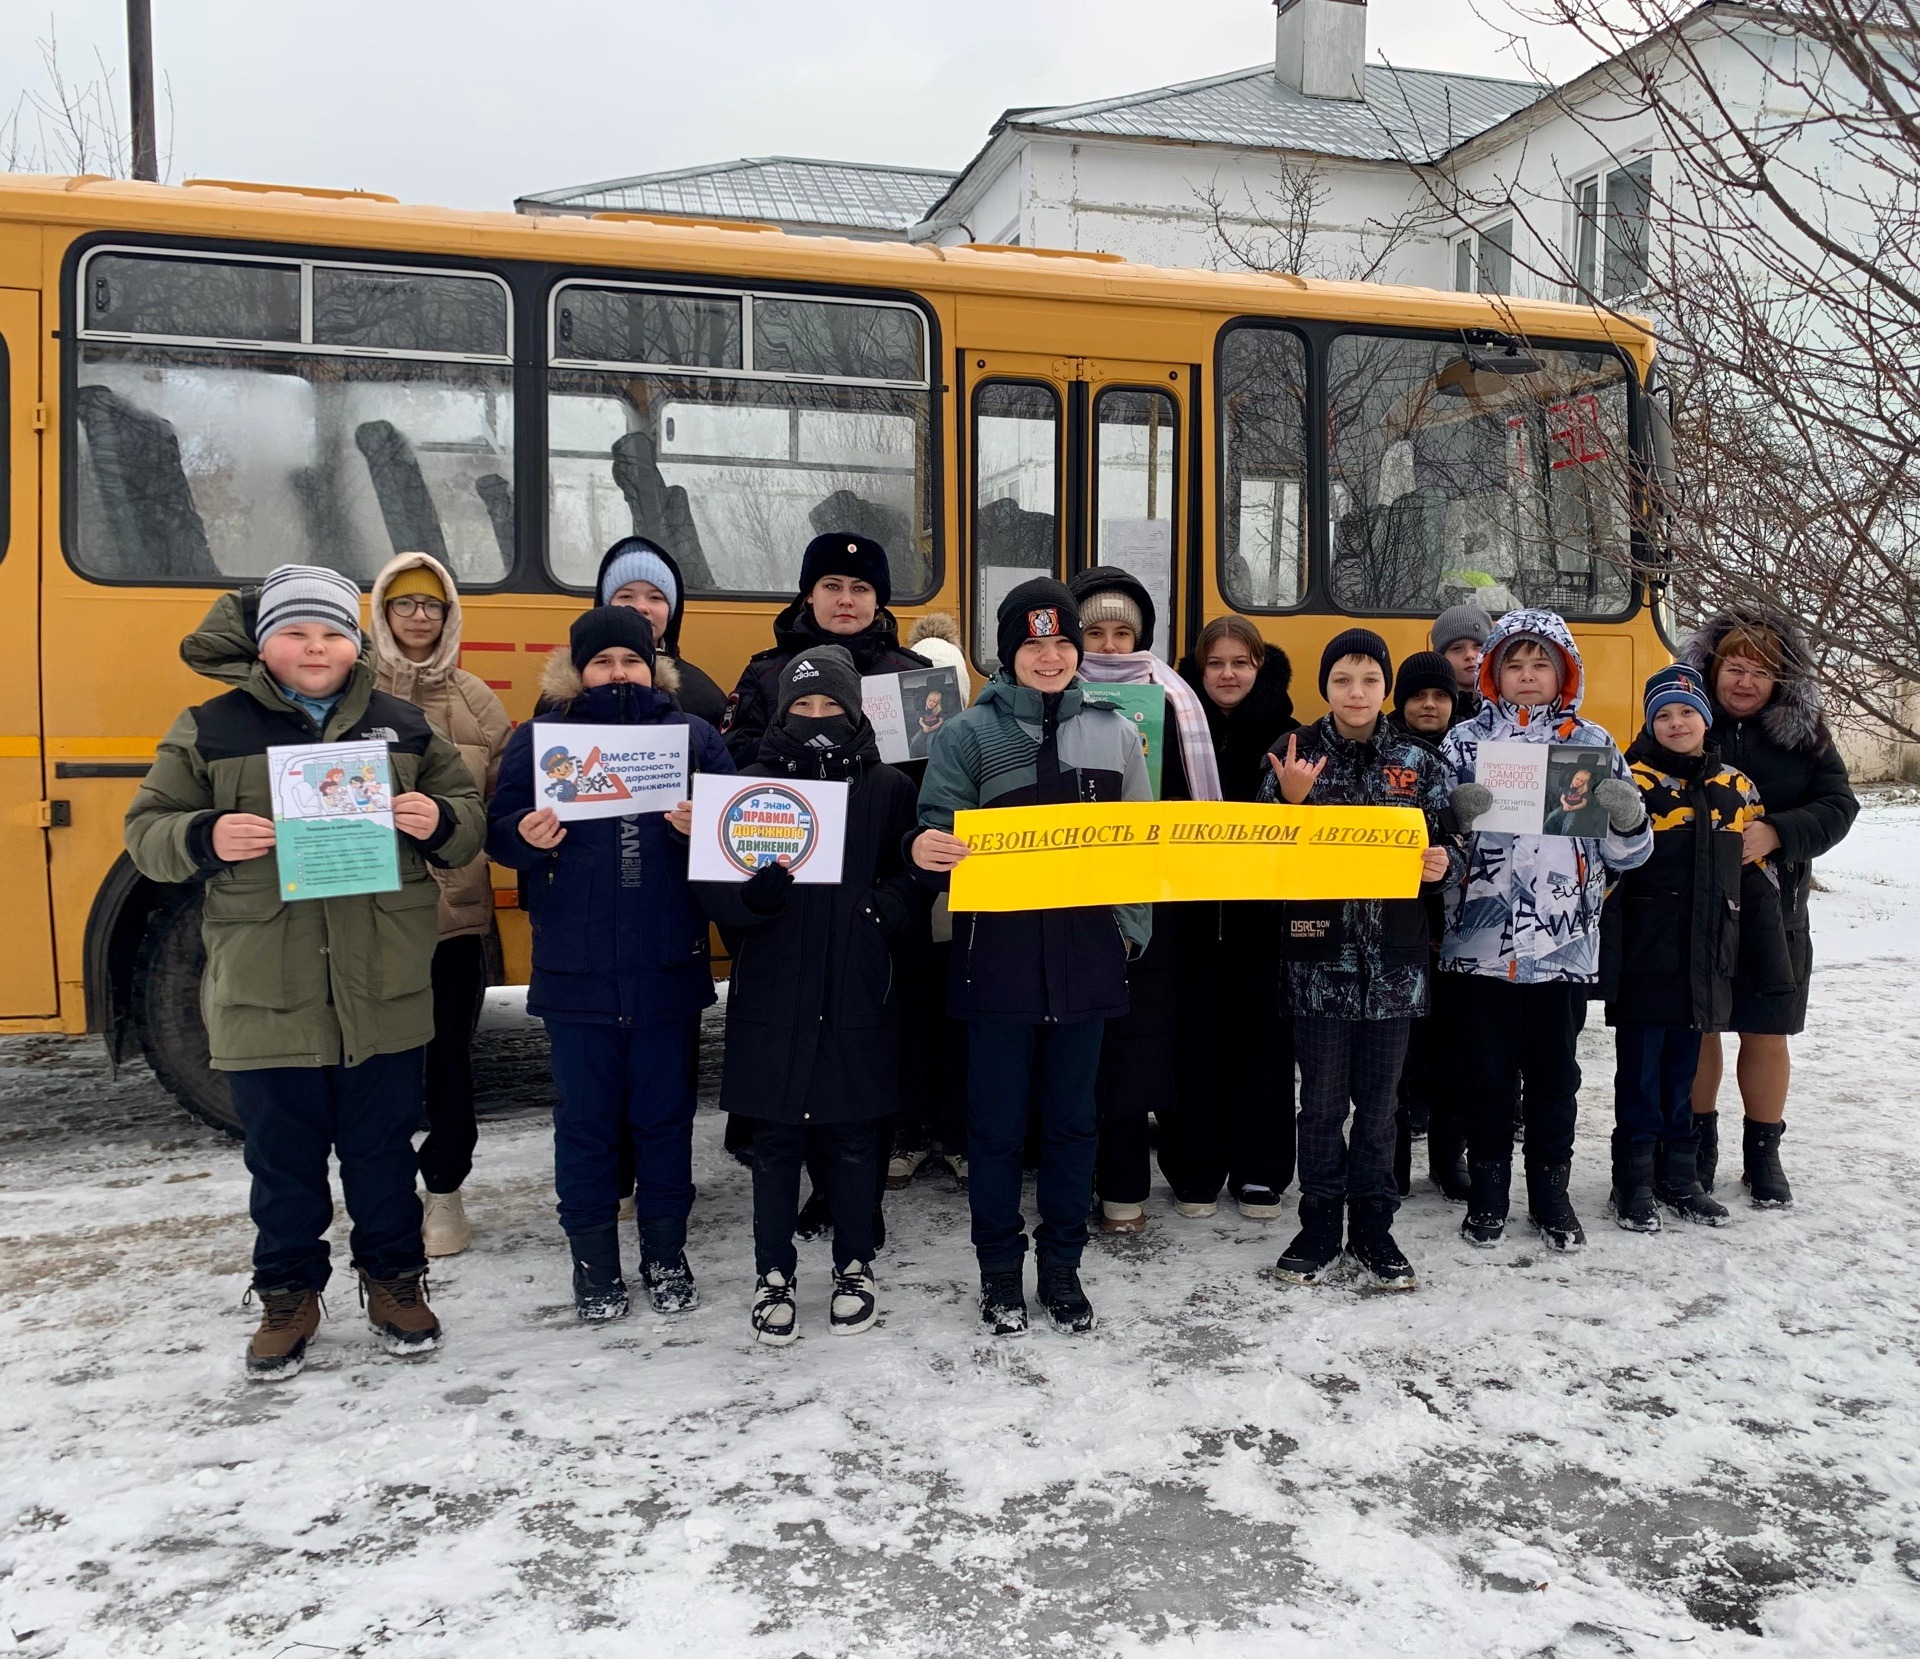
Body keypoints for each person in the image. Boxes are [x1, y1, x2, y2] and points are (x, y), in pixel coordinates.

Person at [124, 565, 486, 1381]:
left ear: (356, 642)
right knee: (282, 1161)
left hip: (383, 988)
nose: (314, 647)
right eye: (295, 632)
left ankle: (394, 1282)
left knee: (383, 1151)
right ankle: (288, 1295)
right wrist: (206, 835)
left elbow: (467, 824)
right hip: (267, 989)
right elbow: (146, 828)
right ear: (263, 644)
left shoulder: (402, 725)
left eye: (330, 632)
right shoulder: (210, 727)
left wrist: (439, 821)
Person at [909, 579, 1151, 1336]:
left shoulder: (1115, 733)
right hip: (998, 960)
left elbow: (1138, 847)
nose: (1050, 657)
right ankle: (998, 1272)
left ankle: (1063, 1269)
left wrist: (1128, 931)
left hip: (1085, 959)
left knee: (1075, 1124)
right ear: (1009, 655)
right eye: (1033, 644)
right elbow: (932, 831)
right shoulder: (968, 735)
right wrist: (926, 847)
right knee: (995, 1128)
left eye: (1061, 643)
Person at [487, 608, 734, 1323]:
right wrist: (525, 836)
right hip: (577, 971)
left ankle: (666, 1253)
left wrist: (704, 825)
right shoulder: (541, 740)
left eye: (631, 660)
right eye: (603, 662)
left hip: (666, 966)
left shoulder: (691, 737)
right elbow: (499, 832)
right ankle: (593, 1261)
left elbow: (740, 835)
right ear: (578, 669)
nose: (618, 673)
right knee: (586, 1125)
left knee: (665, 1121)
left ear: (654, 667)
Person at [696, 647, 924, 1345]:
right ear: (783, 710)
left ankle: (855, 1263)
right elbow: (717, 893)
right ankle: (774, 1272)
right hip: (777, 986)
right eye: (804, 705)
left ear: (855, 710)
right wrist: (751, 900)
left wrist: (884, 908)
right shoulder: (748, 782)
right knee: (776, 1137)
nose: (819, 717)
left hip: (857, 982)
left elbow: (913, 867)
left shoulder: (886, 786)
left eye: (832, 705)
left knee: (856, 1135)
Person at [1440, 608, 1653, 1251]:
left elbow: (1627, 859)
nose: (1528, 677)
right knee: (1489, 1075)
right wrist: (1454, 818)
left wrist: (1626, 819)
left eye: (1541, 665)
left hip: (1561, 947)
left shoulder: (1593, 744)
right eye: (1515, 665)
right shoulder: (1463, 744)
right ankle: (1488, 1195)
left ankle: (1551, 1194)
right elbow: (1434, 855)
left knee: (1556, 1074)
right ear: (1492, 673)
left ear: (1563, 671)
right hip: (1482, 946)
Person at [1260, 630, 1462, 1290]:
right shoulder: (1294, 753)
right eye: (1343, 679)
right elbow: (1258, 852)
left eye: (1369, 680)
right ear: (1326, 686)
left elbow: (1453, 844)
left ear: (1385, 688)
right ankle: (1318, 1222)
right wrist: (1287, 803)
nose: (1356, 691)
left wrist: (1441, 862)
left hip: (1395, 966)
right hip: (1318, 963)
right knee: (1318, 1106)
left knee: (1380, 1109)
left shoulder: (1418, 759)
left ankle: (1374, 1226)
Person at [1600, 666, 1794, 1233]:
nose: (1676, 723)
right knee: (1639, 1073)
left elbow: (1758, 881)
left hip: (1706, 953)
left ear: (1706, 720)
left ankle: (1679, 1176)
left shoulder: (1734, 787)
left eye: (1686, 712)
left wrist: (1764, 956)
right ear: (1648, 722)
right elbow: (1604, 874)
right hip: (1645, 955)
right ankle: (1631, 1181)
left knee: (1684, 1071)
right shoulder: (1629, 780)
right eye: (1663, 714)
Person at [1678, 609, 1859, 1208]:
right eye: (1735, 667)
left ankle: (1764, 1153)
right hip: (1697, 909)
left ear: (1780, 682)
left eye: (1761, 672)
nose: (1745, 682)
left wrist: (1779, 832)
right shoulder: (1679, 724)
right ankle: (1695, 1145)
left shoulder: (1805, 736)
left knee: (1765, 1029)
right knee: (1700, 1029)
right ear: (1712, 668)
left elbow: (1839, 804)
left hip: (1772, 911)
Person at [1067, 567, 1223, 1233]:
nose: (1107, 643)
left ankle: (1126, 1184)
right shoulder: (1052, 693)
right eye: (1093, 630)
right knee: (1077, 1047)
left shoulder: (1174, 699)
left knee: (1137, 1042)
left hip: (1151, 899)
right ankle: (1081, 1180)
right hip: (1069, 894)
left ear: (1142, 635)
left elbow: (1197, 808)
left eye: (1121, 631)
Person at [368, 553, 512, 1258]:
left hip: (453, 919)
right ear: (383, 611)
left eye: (432, 605)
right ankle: (386, 1195)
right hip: (364, 918)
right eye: (405, 604)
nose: (419, 617)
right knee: (378, 1066)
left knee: (450, 1063)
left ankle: (445, 1193)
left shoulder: (480, 700)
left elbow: (498, 805)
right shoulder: (350, 693)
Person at [1169, 615, 1298, 1218]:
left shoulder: (1290, 736)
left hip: (1261, 921)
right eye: (1214, 663)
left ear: (1259, 668)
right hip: (1189, 917)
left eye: (1239, 663)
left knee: (1262, 1045)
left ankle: (1260, 1169)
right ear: (1197, 669)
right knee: (1192, 1042)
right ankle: (1194, 1168)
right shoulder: (1168, 729)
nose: (1227, 674)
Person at [721, 532, 928, 765]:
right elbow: (731, 758)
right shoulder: (765, 674)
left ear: (877, 600)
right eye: (832, 586)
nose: (846, 600)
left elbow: (940, 770)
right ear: (810, 595)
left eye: (860, 589)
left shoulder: (913, 674)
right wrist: (796, 735)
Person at [1384, 650, 1471, 1202]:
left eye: (1441, 696)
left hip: (1460, 927)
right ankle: (1389, 1162)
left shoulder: (1470, 753)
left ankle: (1448, 1158)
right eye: (1419, 696)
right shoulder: (1384, 753)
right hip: (1398, 928)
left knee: (1453, 1052)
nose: (1431, 705)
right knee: (1396, 1057)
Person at [891, 612, 973, 1189]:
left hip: (964, 908)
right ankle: (913, 1133)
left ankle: (958, 1132)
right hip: (911, 909)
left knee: (959, 1027)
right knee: (911, 1024)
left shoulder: (976, 738)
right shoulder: (889, 746)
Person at [593, 535, 728, 728]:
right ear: (605, 606)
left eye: (655, 598)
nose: (641, 607)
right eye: (626, 596)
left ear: (671, 611)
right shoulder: (566, 695)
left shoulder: (704, 697)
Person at [1431, 605, 1492, 723]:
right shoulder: (1429, 711)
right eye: (1457, 648)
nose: (1470, 655)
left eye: (1478, 646)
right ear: (1441, 658)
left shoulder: (1512, 709)